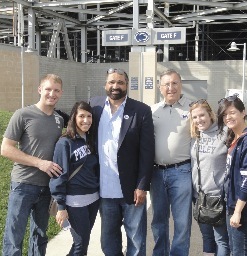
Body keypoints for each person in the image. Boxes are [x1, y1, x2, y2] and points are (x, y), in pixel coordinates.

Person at [89, 68, 155, 256]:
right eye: (111, 82)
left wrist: (142, 186)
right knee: (109, 239)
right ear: (105, 85)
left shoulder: (141, 110)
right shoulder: (94, 106)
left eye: (120, 82)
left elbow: (147, 152)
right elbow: (77, 124)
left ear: (126, 85)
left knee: (136, 238)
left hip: (132, 190)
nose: (115, 86)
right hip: (104, 189)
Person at [1, 74, 64, 256]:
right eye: (48, 89)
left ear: (61, 93)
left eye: (56, 90)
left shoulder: (59, 120)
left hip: (47, 187)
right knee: (15, 235)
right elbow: (6, 149)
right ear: (40, 90)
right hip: (23, 185)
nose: (52, 93)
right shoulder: (23, 114)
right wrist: (39, 163)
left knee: (40, 235)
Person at [150, 69, 192, 256]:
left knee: (182, 221)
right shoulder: (152, 110)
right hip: (156, 173)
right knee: (159, 220)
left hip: (182, 171)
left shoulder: (192, 109)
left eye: (174, 83)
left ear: (181, 84)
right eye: (166, 84)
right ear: (160, 88)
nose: (171, 87)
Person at [49, 101, 99, 256]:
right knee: (80, 244)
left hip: (93, 199)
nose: (86, 120)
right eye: (81, 116)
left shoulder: (91, 141)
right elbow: (58, 176)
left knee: (83, 241)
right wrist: (61, 207)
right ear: (73, 118)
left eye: (89, 116)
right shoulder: (65, 142)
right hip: (74, 201)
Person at [189, 99, 230, 256]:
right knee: (207, 237)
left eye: (202, 115)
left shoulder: (225, 132)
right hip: (199, 197)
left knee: (221, 240)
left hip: (217, 198)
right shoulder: (195, 136)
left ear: (210, 114)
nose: (199, 120)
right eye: (195, 117)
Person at [217, 94, 247, 256]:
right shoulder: (235, 137)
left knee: (240, 252)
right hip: (232, 204)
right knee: (236, 251)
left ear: (243, 112)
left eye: (232, 112)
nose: (228, 117)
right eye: (224, 114)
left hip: (243, 209)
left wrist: (238, 211)